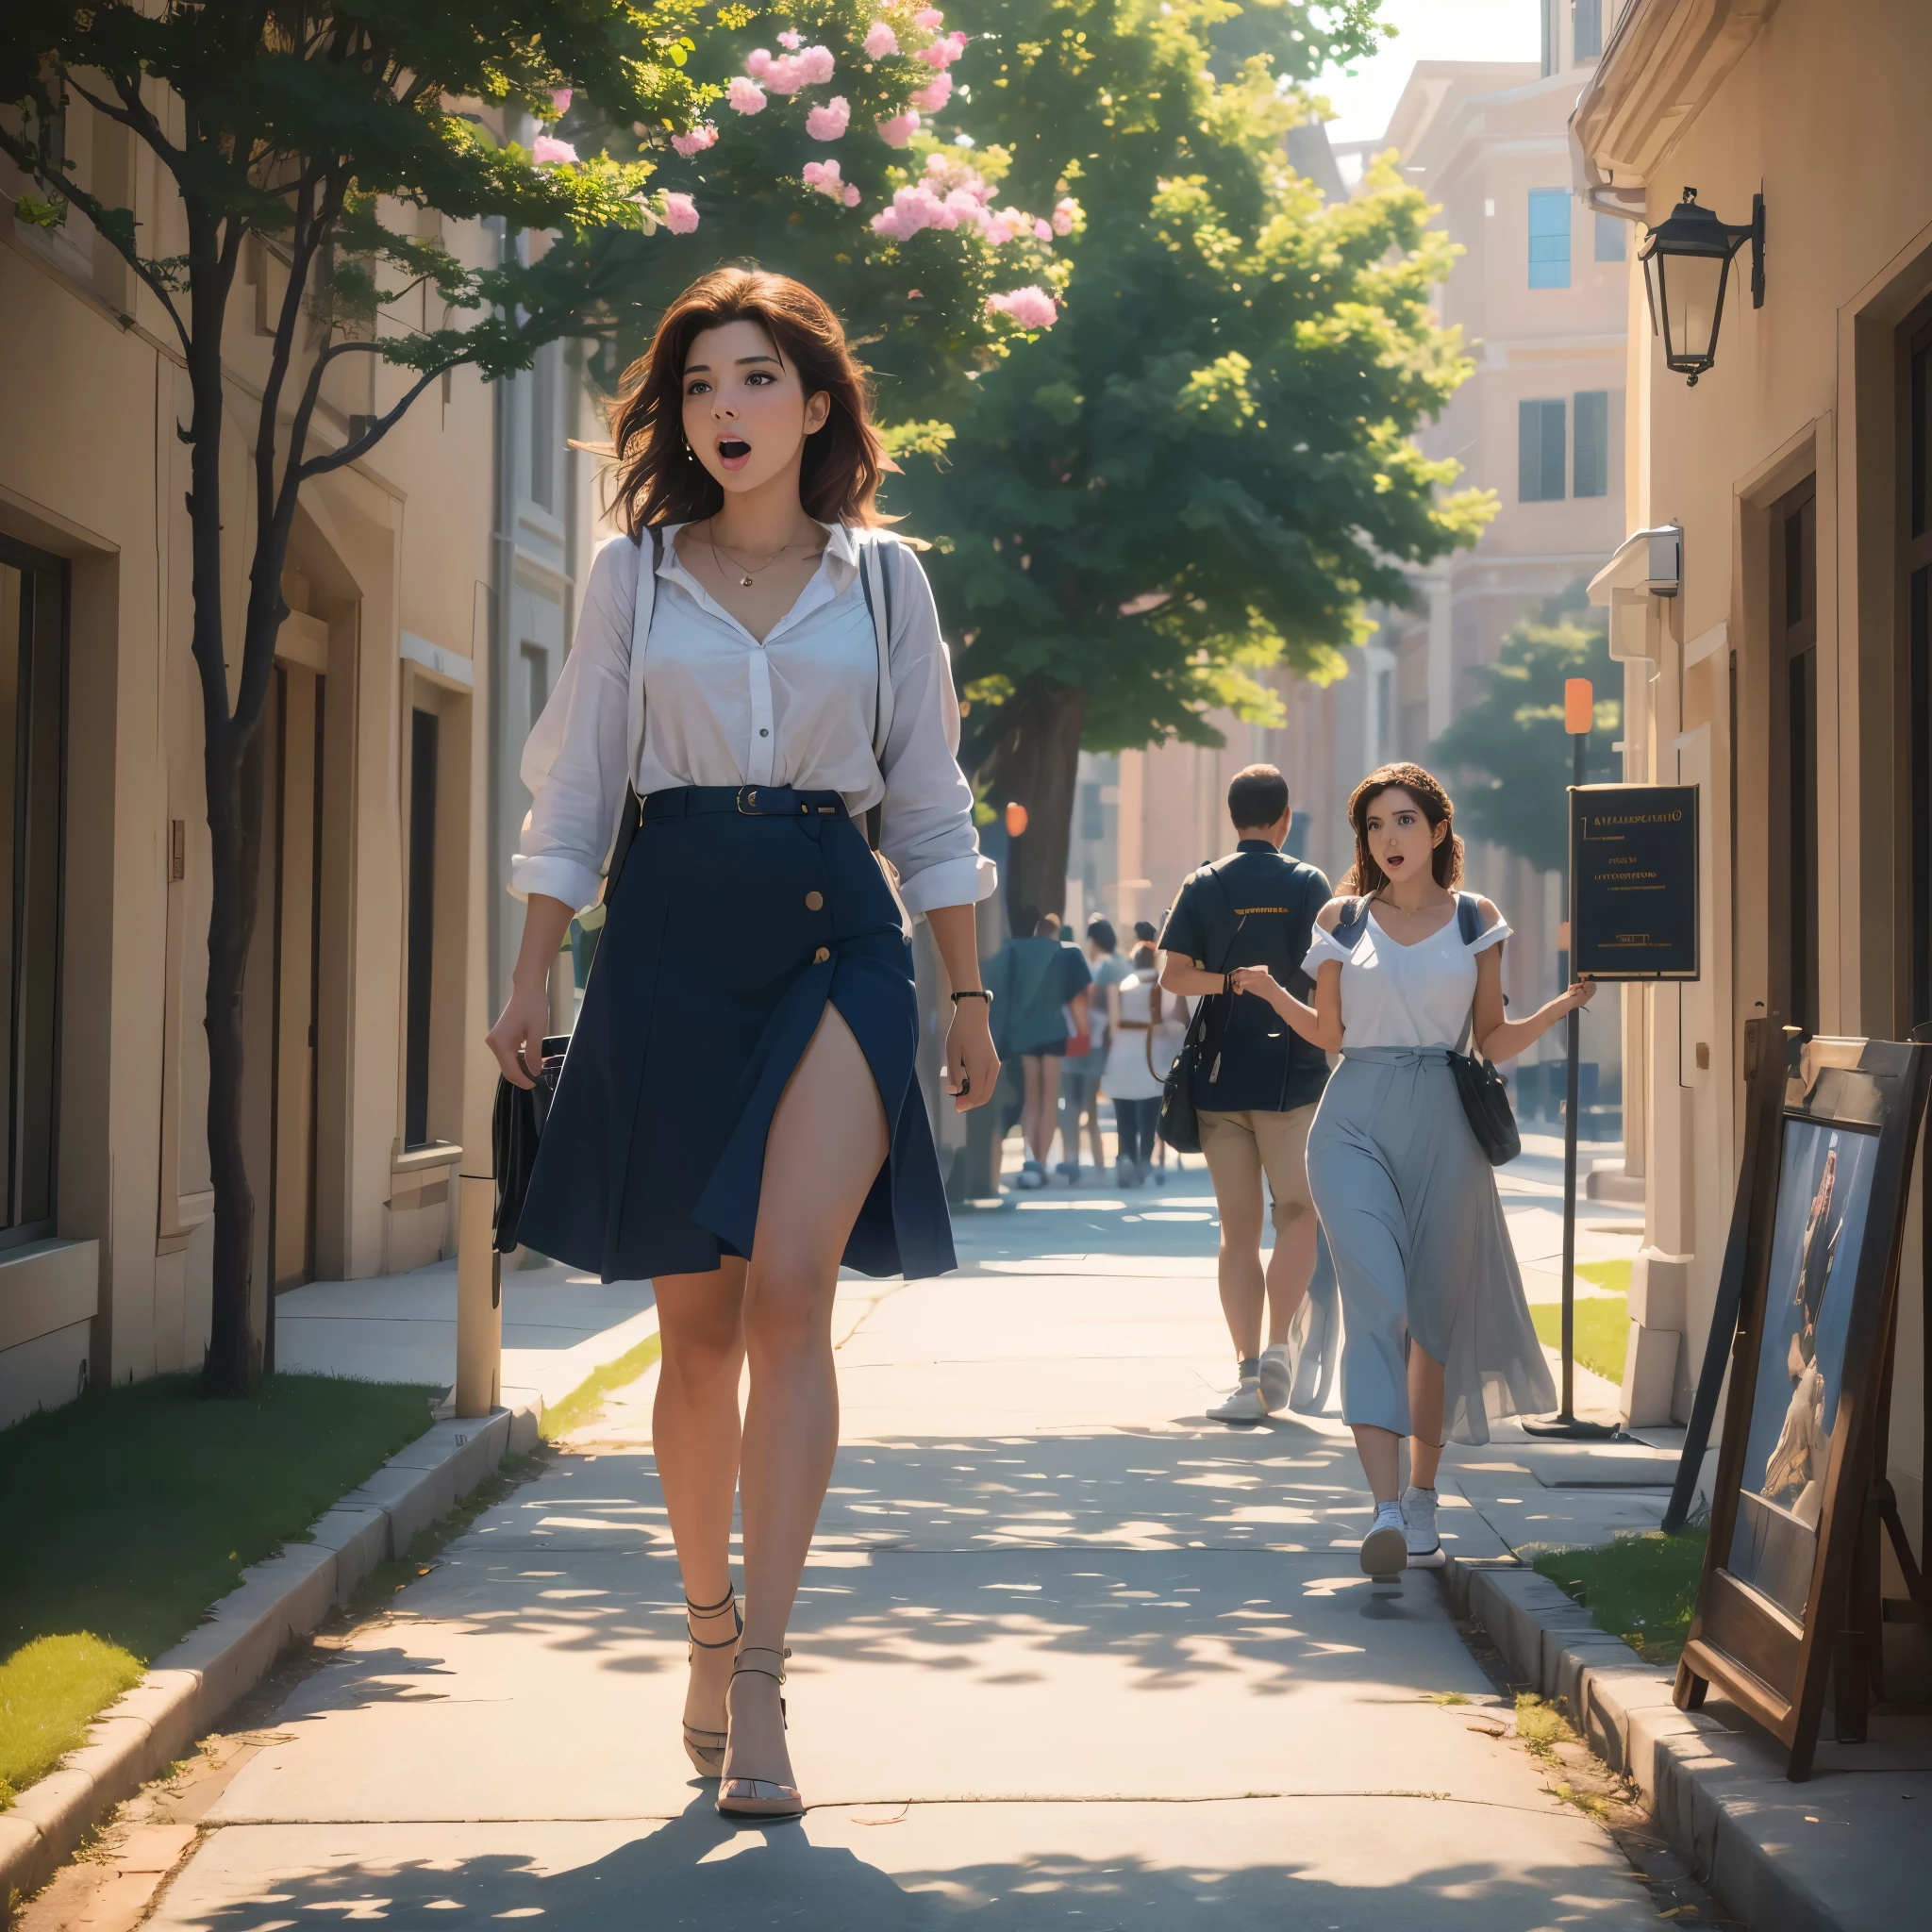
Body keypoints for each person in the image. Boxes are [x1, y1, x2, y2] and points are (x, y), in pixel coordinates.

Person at [486, 269, 998, 1819]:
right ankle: (703, 1630)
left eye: (757, 379)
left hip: (836, 931)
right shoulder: (630, 579)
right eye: (700, 383)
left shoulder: (886, 582)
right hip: (667, 931)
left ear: (819, 403)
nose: (725, 408)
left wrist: (964, 991)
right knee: (693, 1337)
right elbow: (576, 790)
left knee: (791, 1297)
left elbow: (927, 799)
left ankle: (764, 1677)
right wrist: (532, 978)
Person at [1228, 762, 1591, 1576]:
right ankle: (1384, 1509)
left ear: (1436, 831)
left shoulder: (1476, 918)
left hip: (1447, 1123)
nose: (1388, 839)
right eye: (1374, 826)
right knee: (1377, 1310)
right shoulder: (1342, 919)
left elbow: (1491, 1040)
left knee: (1431, 1324)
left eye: (1403, 821)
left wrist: (1559, 1011)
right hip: (1351, 1121)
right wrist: (1267, 996)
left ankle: (1424, 1494)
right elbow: (1328, 1033)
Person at [1158, 766, 1333, 1425]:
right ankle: (1280, 1341)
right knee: (1297, 1212)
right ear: (1285, 817)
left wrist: (1227, 980)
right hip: (1292, 1070)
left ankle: (1246, 1372)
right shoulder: (1307, 883)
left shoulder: (1203, 885)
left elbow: (1174, 975)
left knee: (1237, 1232)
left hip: (1219, 1075)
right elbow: (1326, 974)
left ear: (1233, 817)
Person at [984, 907, 1091, 1188]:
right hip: (1054, 1031)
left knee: (1031, 1099)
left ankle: (1030, 1160)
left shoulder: (1017, 952)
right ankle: (1042, 1162)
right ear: (1055, 932)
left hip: (1024, 1033)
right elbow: (1077, 1000)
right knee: (1049, 1099)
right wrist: (1084, 1032)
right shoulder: (1065, 953)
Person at [1104, 941, 1187, 1185]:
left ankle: (1125, 1158)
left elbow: (1112, 1024)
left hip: (1120, 1057)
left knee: (1124, 1116)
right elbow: (1172, 1024)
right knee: (1149, 1116)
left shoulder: (1123, 985)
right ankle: (1143, 1162)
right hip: (1151, 1059)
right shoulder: (1161, 986)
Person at [1058, 918, 1128, 1180]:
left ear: (1092, 941)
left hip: (1085, 1044)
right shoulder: (1123, 964)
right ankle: (1099, 1164)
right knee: (1091, 1108)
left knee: (1074, 1107)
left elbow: (1094, 1008)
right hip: (1105, 1045)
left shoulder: (1100, 968)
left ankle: (1073, 1160)